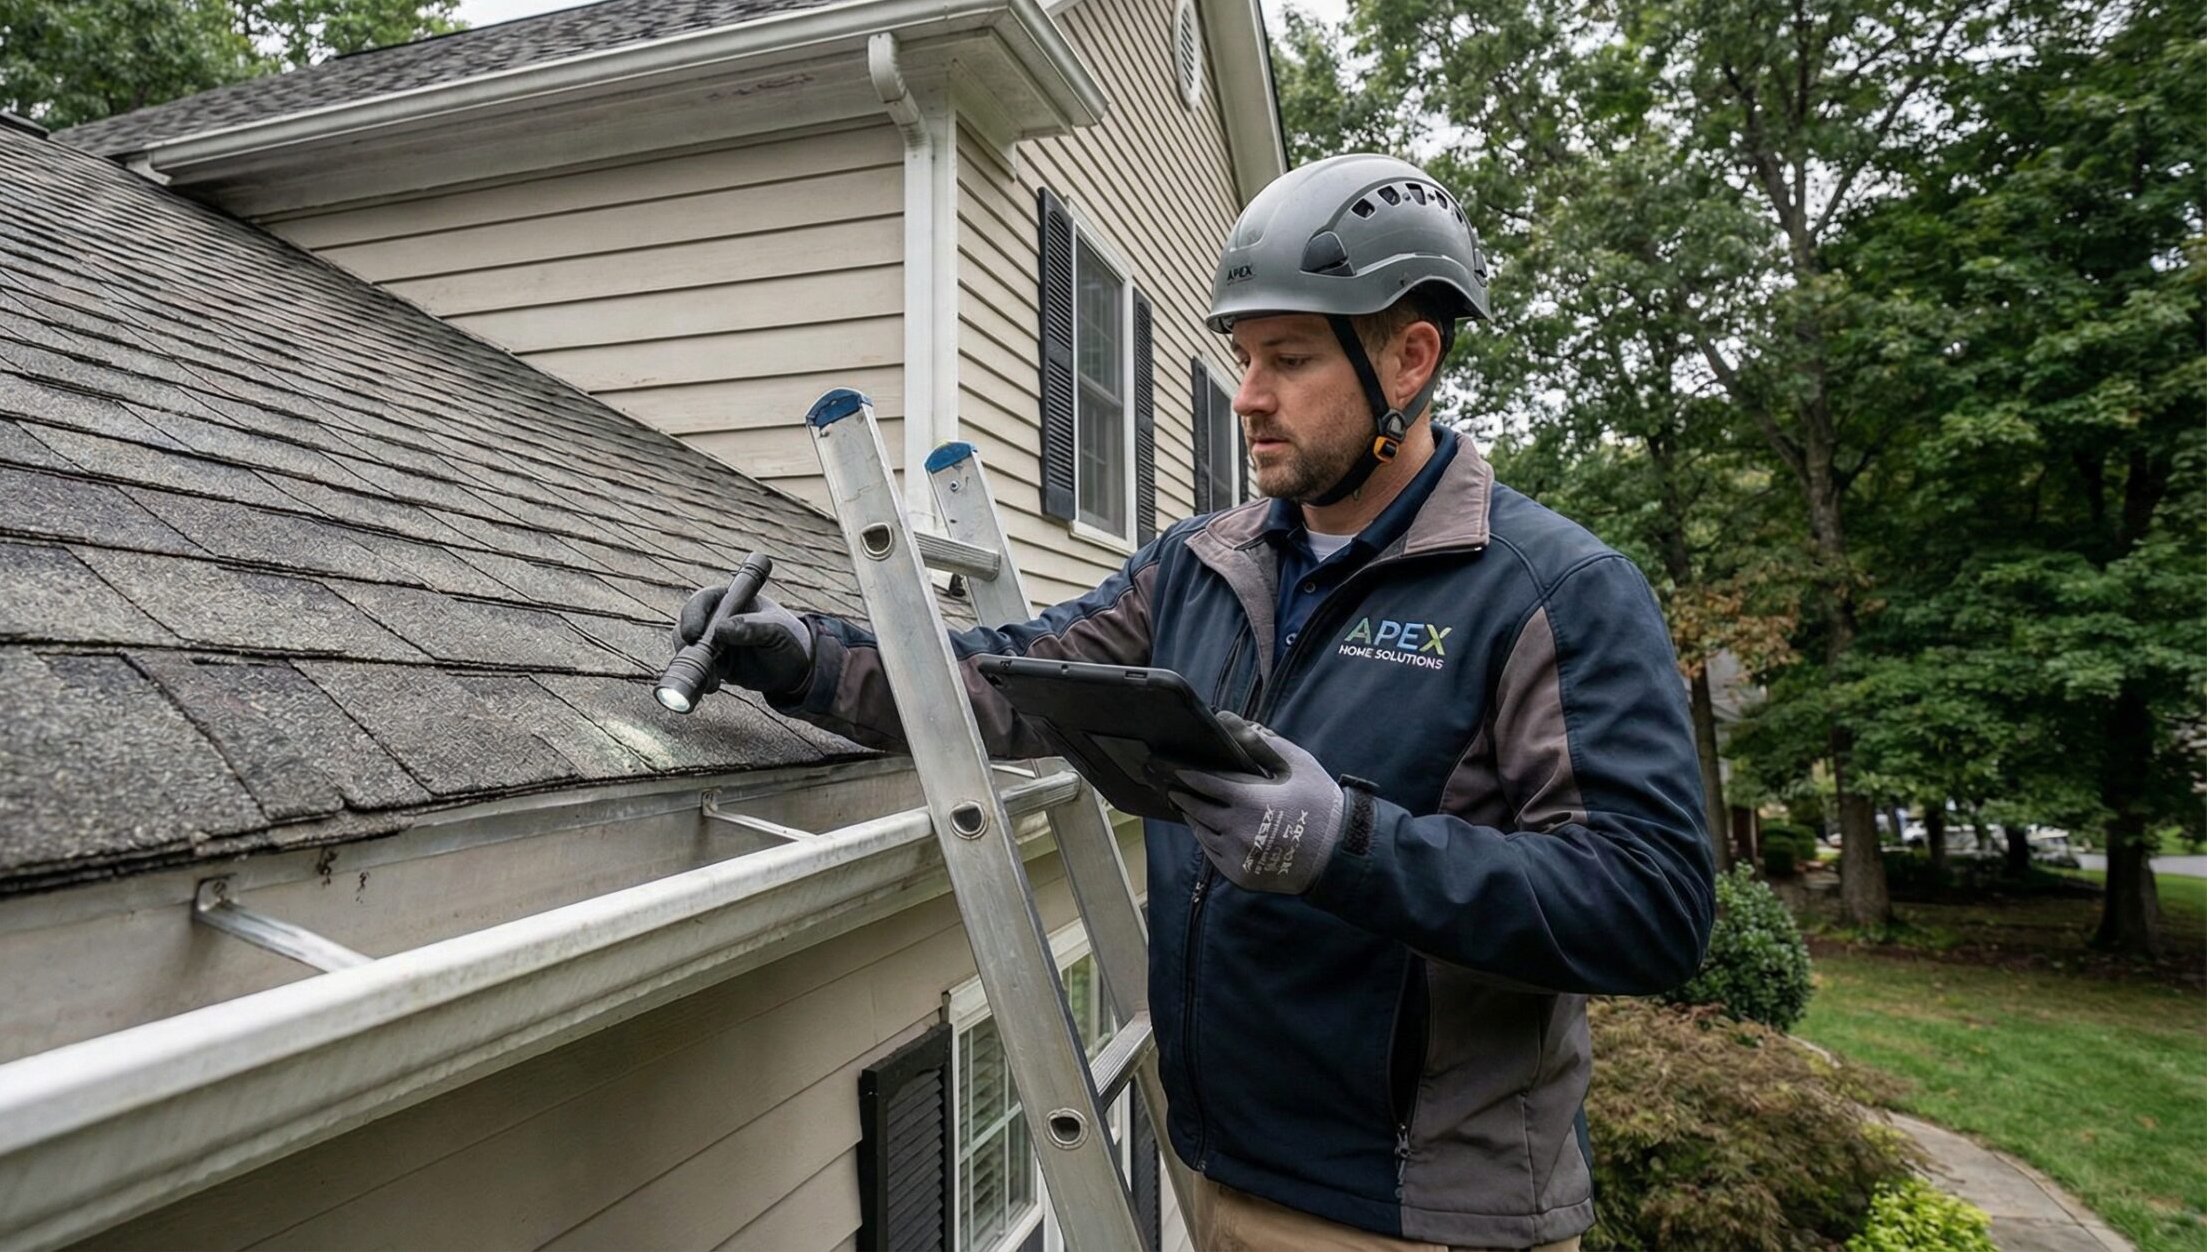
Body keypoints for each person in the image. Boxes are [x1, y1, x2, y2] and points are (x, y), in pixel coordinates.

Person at [673, 154, 1715, 1252]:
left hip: (1416, 1217)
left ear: (1409, 359)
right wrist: (804, 658)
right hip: (1213, 1173)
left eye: (1290, 358)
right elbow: (1012, 676)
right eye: (1243, 356)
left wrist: (1346, 843)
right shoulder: (1201, 563)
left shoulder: (1547, 590)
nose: (1247, 395)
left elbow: (1649, 905)